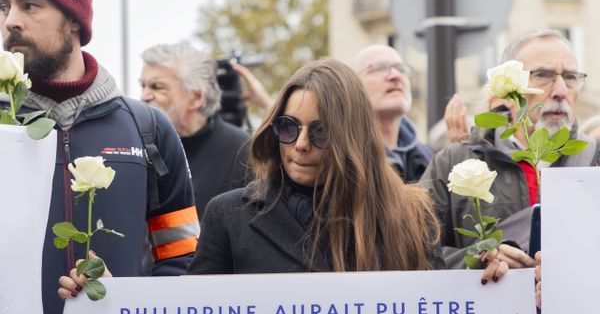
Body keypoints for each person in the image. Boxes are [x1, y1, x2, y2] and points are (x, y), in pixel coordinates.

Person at [0, 0, 199, 314]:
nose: (11, 22)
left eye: (31, 5)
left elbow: (183, 256)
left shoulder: (147, 127)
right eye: (4, 7)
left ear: (74, 18)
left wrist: (129, 304)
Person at [183, 57, 509, 284]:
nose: (300, 144)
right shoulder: (228, 214)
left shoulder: (411, 217)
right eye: (288, 127)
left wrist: (483, 279)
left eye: (320, 132)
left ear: (351, 138)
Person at [420, 29, 600, 269]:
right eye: (543, 75)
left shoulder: (594, 158)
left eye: (570, 77)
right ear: (506, 92)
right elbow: (414, 250)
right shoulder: (455, 162)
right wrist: (476, 260)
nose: (560, 91)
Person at [140, 42, 250, 218]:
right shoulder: (139, 148)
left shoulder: (243, 151)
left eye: (157, 87)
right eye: (142, 86)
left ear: (196, 98)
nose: (144, 96)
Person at [354, 44, 433, 182]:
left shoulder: (430, 158)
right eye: (379, 68)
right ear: (353, 86)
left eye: (401, 69)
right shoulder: (344, 159)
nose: (395, 75)